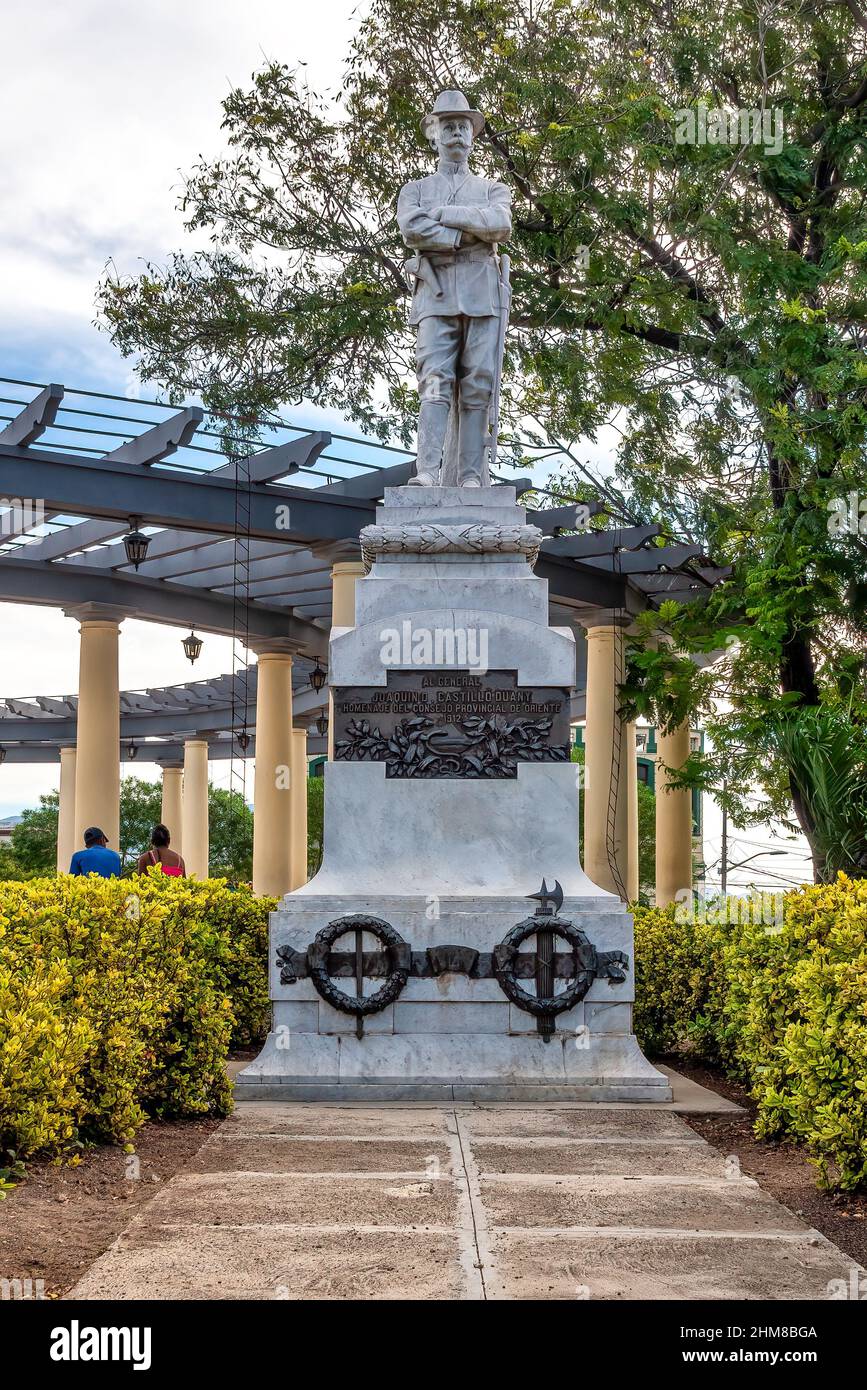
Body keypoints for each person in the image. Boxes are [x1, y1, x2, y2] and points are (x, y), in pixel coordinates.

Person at [397, 89, 512, 486]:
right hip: (436, 291)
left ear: (473, 135)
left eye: (463, 126)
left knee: (479, 381)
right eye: (448, 126)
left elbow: (501, 224)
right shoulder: (415, 189)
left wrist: (446, 215)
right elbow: (413, 228)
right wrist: (467, 236)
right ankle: (427, 471)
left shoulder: (493, 189)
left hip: (484, 295)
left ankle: (470, 476)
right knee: (433, 380)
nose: (457, 134)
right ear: (433, 133)